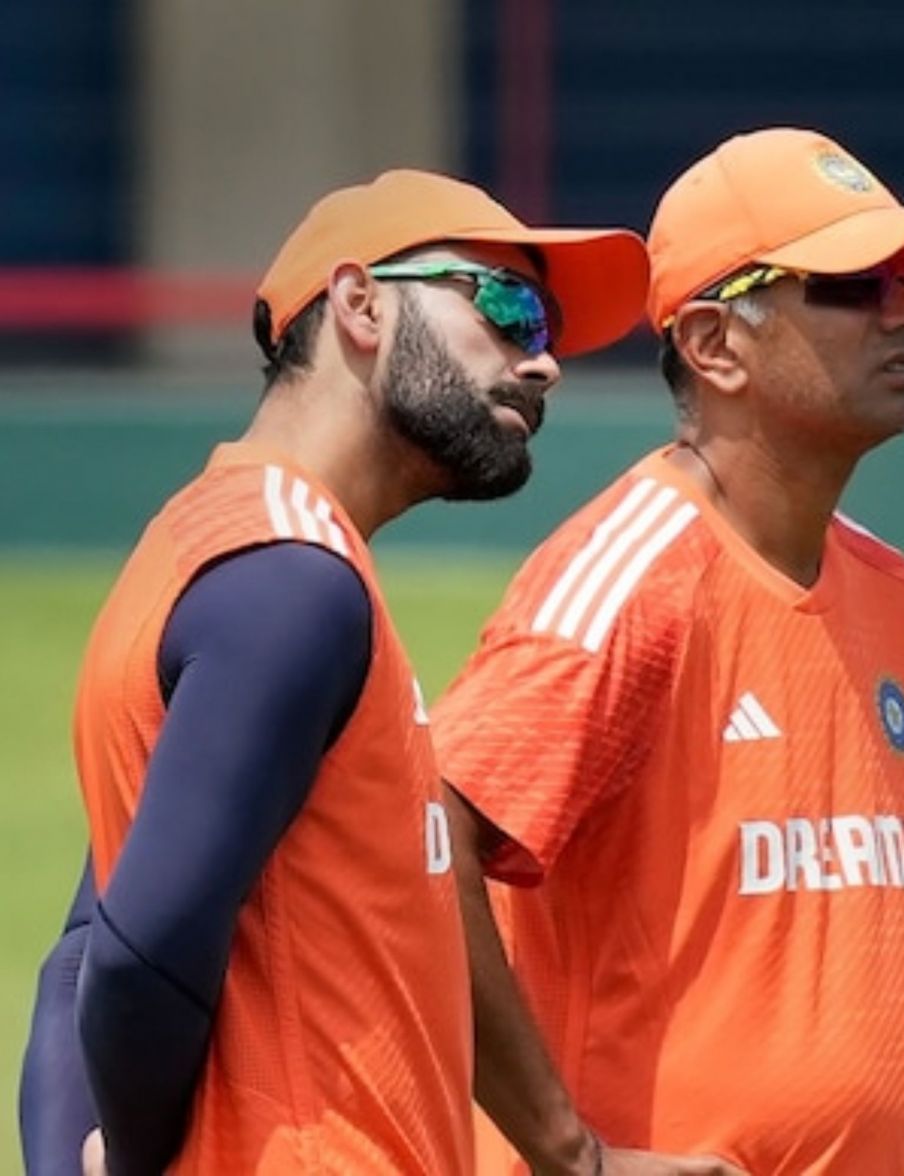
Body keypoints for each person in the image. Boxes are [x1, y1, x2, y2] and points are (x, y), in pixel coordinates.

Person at [17, 169, 650, 1175]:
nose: (543, 364)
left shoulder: (218, 544)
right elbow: (134, 961)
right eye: (507, 308)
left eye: (548, 332)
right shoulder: (291, 584)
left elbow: (83, 956)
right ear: (361, 305)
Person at [428, 128, 904, 1176]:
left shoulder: (902, 601)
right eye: (855, 284)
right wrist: (576, 1157)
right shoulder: (626, 581)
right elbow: (425, 844)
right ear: (714, 342)